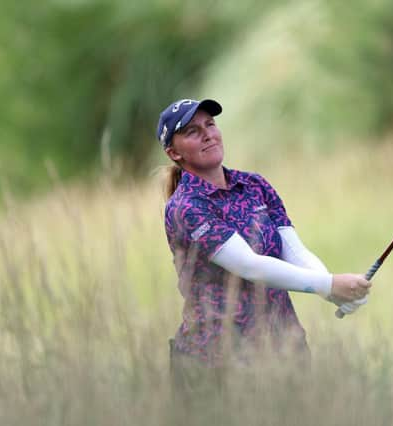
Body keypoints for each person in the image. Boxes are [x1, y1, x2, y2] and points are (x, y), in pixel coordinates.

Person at [157, 98, 370, 385]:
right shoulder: (186, 207)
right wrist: (330, 285)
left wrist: (331, 289)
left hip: (283, 350)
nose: (208, 134)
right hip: (217, 364)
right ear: (174, 152)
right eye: (193, 131)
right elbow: (248, 266)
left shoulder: (254, 185)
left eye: (210, 124)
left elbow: (293, 249)